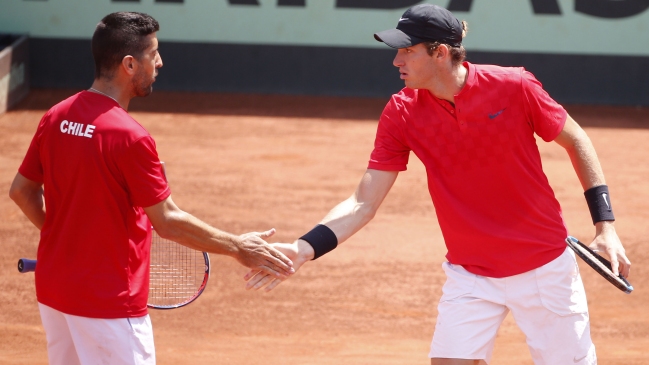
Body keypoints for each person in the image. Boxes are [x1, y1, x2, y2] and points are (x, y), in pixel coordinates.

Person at [244, 4, 631, 365]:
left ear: (440, 53)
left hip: (543, 269)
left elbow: (577, 139)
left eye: (407, 51)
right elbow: (364, 201)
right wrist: (303, 248)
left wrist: (605, 227)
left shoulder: (514, 86)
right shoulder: (401, 112)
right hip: (470, 275)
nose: (396, 61)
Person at [8, 12, 293, 365]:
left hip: (54, 293)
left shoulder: (56, 116)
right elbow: (168, 220)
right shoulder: (131, 137)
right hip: (108, 304)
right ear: (129, 64)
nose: (160, 61)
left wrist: (65, 238)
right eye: (153, 53)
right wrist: (238, 246)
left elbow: (21, 190)